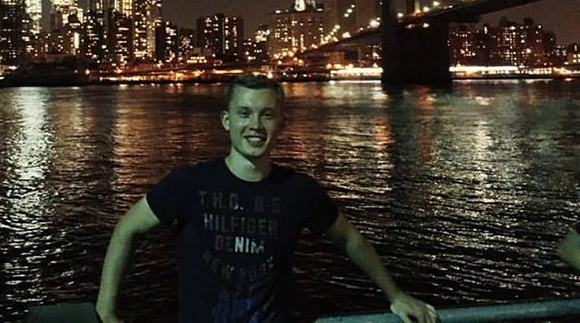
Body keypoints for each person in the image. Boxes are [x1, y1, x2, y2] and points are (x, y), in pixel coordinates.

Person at [95, 74, 437, 323]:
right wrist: (106, 311)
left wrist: (395, 295)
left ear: (282, 123)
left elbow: (350, 239)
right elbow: (127, 230)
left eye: (267, 114)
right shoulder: (189, 183)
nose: (255, 125)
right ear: (227, 121)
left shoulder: (299, 190)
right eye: (244, 113)